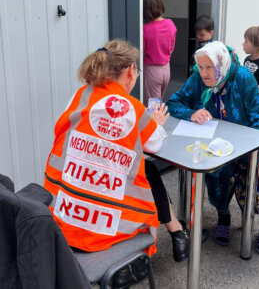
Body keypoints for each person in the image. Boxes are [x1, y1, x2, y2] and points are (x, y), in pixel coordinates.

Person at [43, 40, 189, 288]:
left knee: (145, 170)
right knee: (146, 172)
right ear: (130, 72)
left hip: (62, 217)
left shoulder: (80, 96)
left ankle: (172, 233)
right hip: (101, 230)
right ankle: (137, 257)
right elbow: (153, 144)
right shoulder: (132, 107)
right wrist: (156, 123)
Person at [166, 41, 259, 255]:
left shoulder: (242, 77)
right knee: (216, 177)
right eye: (200, 67)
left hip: (246, 147)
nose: (204, 73)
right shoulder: (197, 77)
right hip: (216, 148)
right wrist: (191, 113)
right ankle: (223, 217)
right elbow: (173, 103)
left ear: (221, 64)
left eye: (209, 67)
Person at [143, 0, 177, 106]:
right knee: (158, 100)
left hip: (152, 70)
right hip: (166, 69)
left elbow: (142, 51)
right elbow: (171, 49)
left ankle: (156, 124)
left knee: (153, 106)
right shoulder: (170, 24)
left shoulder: (145, 29)